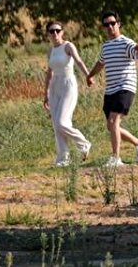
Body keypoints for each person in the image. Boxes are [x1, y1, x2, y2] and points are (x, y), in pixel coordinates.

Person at [87, 11, 138, 167]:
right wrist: (90, 75)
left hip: (125, 86)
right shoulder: (106, 47)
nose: (110, 27)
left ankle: (116, 158)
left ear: (118, 24)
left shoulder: (126, 43)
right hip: (110, 90)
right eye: (106, 24)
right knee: (111, 125)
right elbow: (101, 63)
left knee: (114, 120)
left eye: (112, 23)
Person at [43, 21, 93, 167]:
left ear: (62, 32)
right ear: (48, 34)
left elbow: (78, 61)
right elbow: (49, 72)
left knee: (62, 122)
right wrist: (45, 93)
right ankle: (63, 158)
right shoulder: (50, 51)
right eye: (51, 31)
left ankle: (83, 144)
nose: (55, 34)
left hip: (68, 84)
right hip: (54, 87)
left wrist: (88, 76)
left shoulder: (68, 46)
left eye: (58, 30)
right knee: (56, 124)